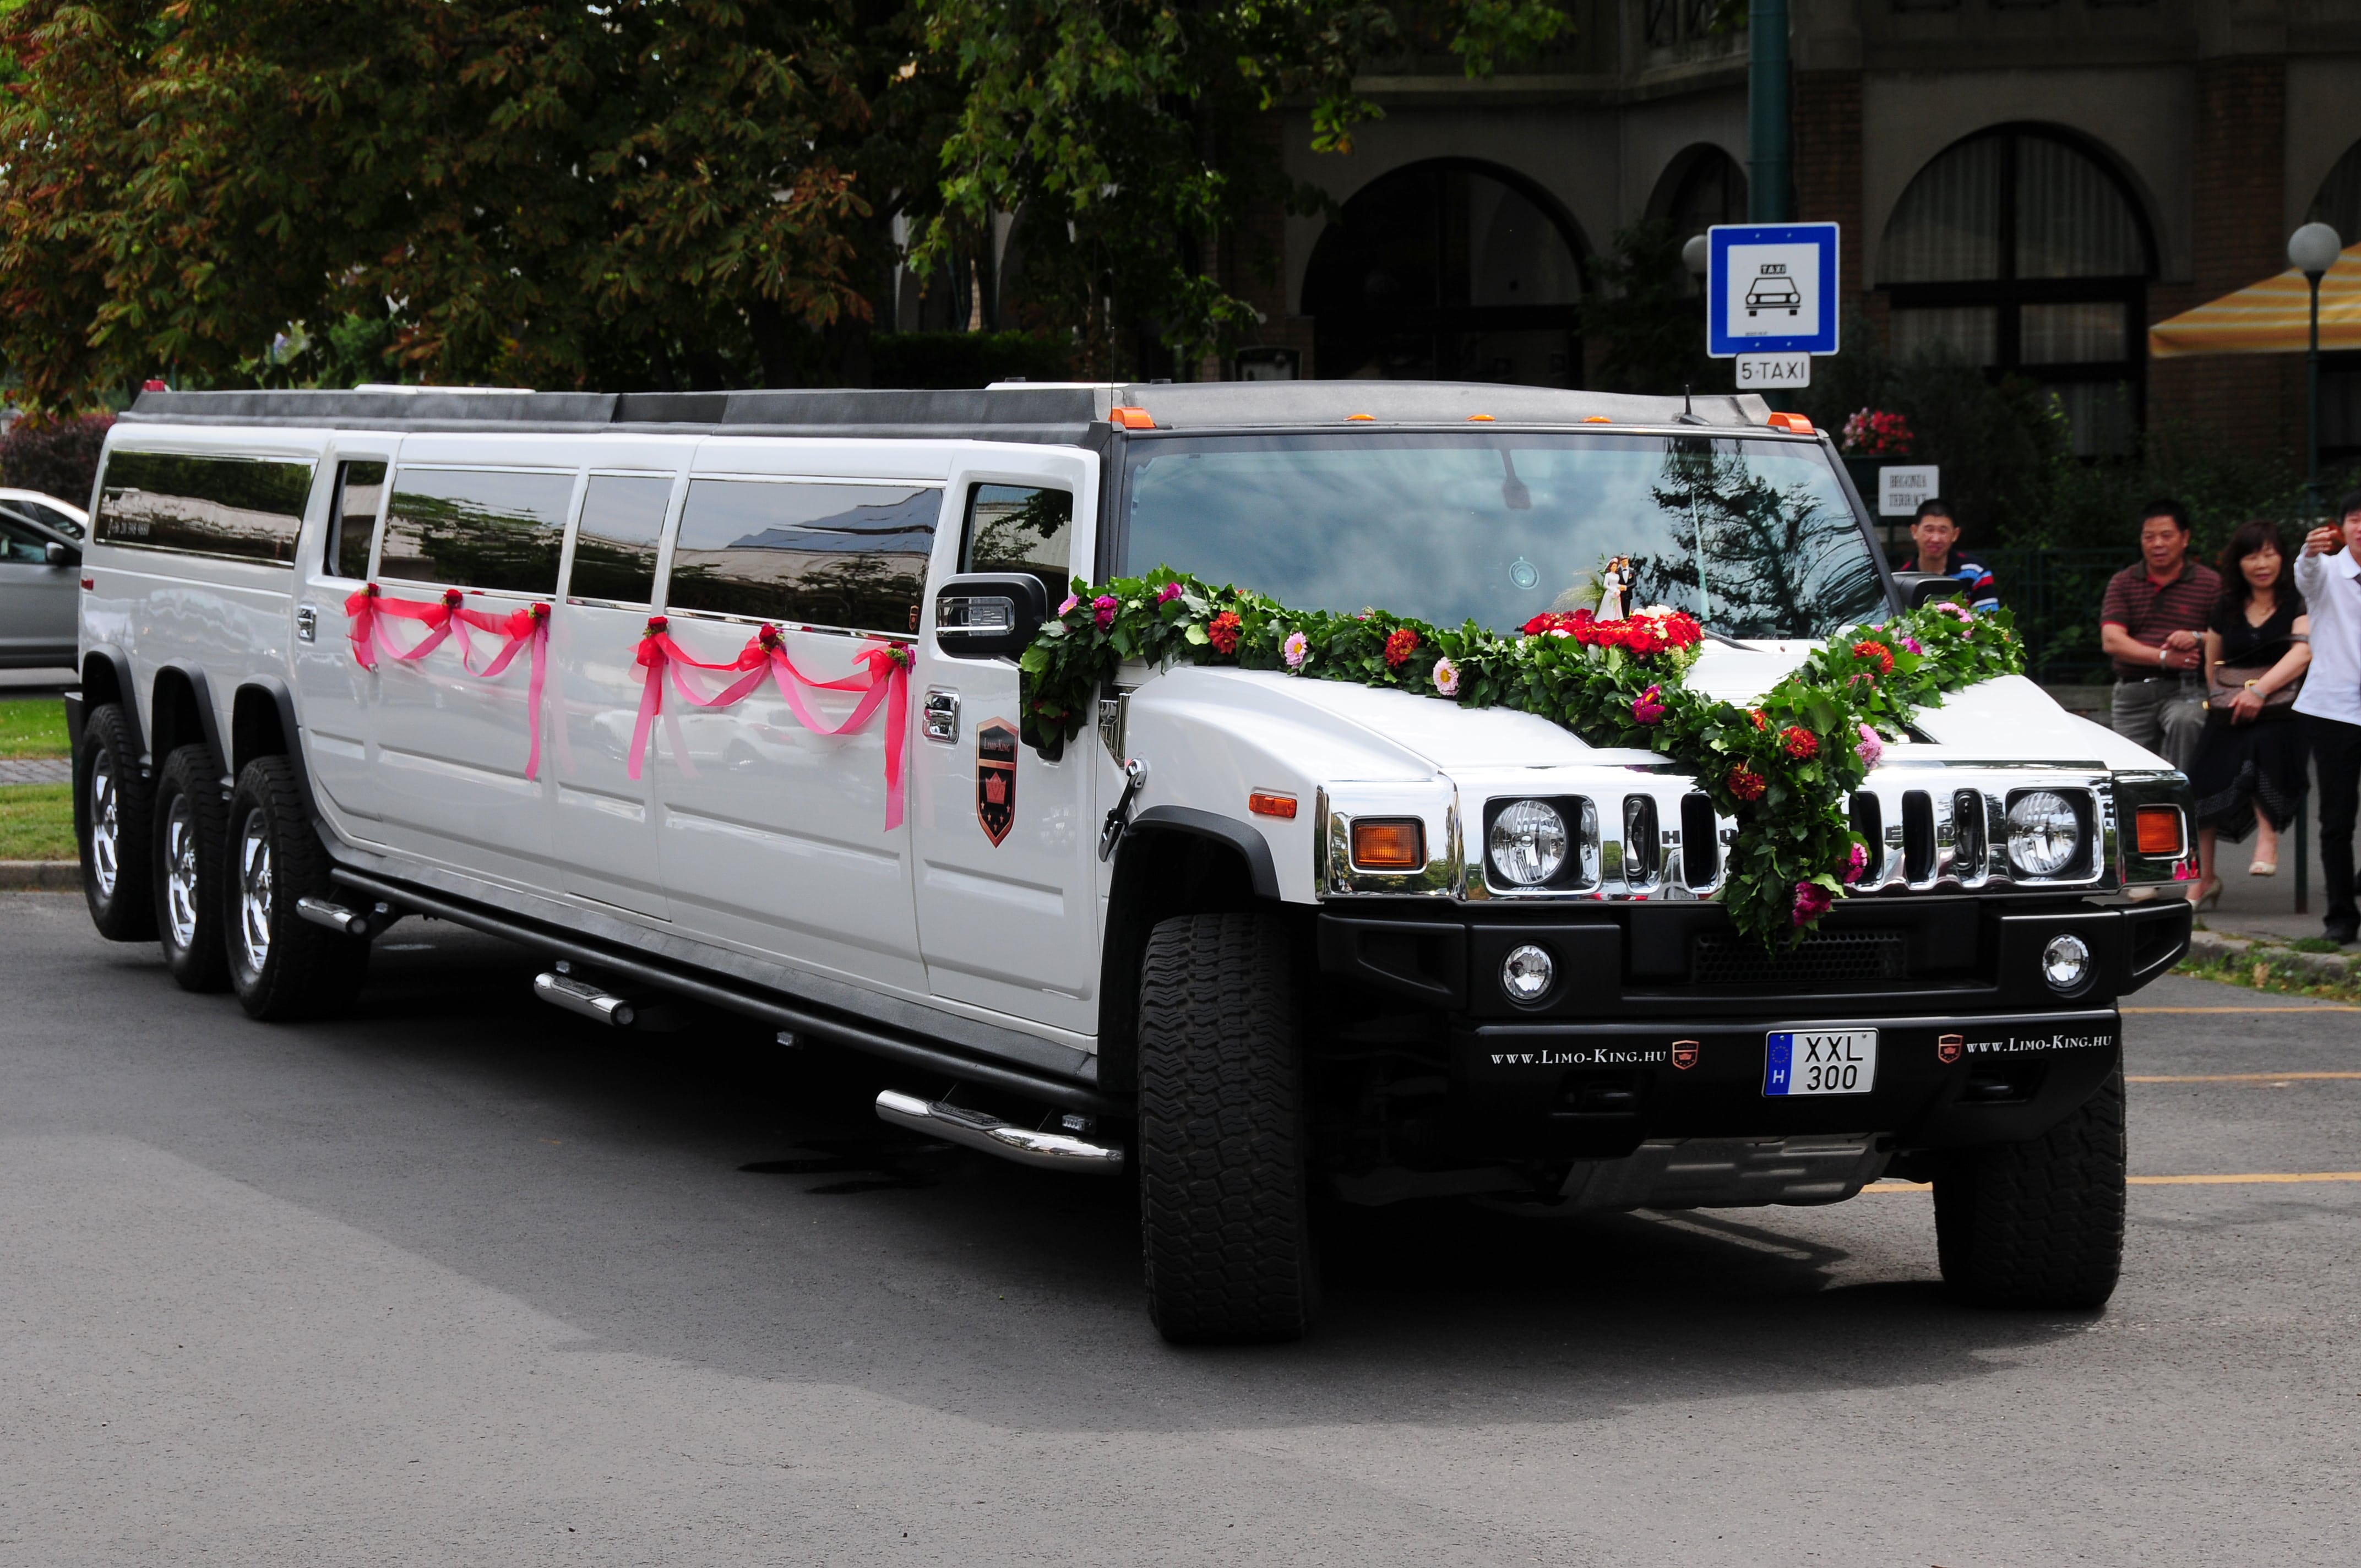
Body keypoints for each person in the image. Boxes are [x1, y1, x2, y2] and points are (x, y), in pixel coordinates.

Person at [2183, 520, 2309, 910]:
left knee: (2262, 746)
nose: (2262, 563)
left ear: (2283, 558)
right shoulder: (2226, 606)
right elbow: (2212, 663)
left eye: (2270, 553)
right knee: (2201, 775)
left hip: (2283, 711)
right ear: (2238, 563)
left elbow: (2304, 651)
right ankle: (2202, 880)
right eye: (2252, 555)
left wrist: (2259, 691)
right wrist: (2225, 700)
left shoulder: (2297, 601)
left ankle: (2268, 839)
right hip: (2232, 710)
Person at [2100, 499, 2220, 774]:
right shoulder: (2123, 582)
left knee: (2187, 722)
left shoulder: (2210, 583)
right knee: (2128, 772)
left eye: (2166, 536)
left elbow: (2226, 636)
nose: (2157, 544)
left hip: (2187, 689)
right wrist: (2165, 658)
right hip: (2133, 690)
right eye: (2149, 537)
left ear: (2185, 538)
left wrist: (2197, 638)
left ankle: (2186, 806)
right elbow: (2112, 640)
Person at [2294, 489, 2361, 946]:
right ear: (2343, 527)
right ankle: (2341, 916)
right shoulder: (2328, 573)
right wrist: (2309, 550)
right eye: (2356, 520)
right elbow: (2306, 576)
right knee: (2337, 820)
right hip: (2335, 709)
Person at [1903, 498, 1999, 613]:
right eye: (1929, 530)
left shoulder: (1975, 572)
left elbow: (1989, 622)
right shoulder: (1903, 579)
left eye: (1943, 531)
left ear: (1955, 534)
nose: (1935, 539)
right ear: (1914, 532)